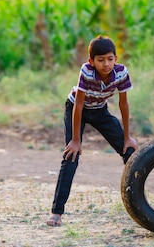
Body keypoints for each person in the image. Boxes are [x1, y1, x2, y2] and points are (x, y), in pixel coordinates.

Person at [47, 35, 138, 226]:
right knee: (71, 156)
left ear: (116, 58)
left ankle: (143, 205)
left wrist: (127, 137)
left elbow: (123, 104)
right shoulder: (87, 71)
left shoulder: (121, 73)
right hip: (75, 109)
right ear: (92, 61)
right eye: (101, 60)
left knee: (130, 153)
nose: (106, 64)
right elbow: (79, 105)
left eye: (110, 59)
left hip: (99, 110)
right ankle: (57, 212)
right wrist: (75, 140)